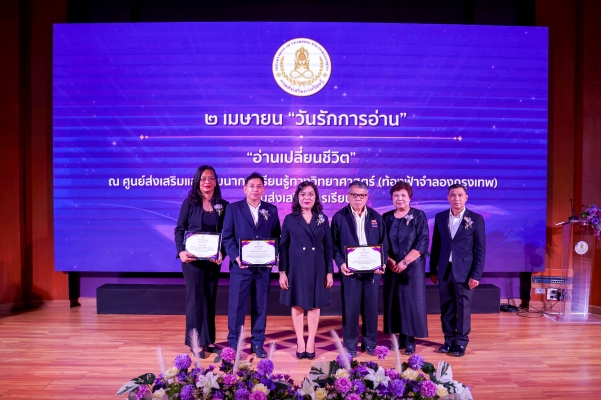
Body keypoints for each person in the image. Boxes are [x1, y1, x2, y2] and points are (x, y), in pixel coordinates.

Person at [221, 172, 281, 358]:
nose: (255, 189)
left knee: (260, 307)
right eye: (252, 186)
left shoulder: (271, 209)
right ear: (245, 189)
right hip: (241, 268)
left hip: (263, 269)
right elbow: (227, 237)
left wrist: (273, 255)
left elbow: (276, 237)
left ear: (263, 189)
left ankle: (257, 343)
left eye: (259, 186)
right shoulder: (233, 209)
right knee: (237, 308)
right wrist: (236, 257)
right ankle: (235, 345)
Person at [174, 165, 229, 359]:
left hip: (212, 261)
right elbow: (179, 229)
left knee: (210, 298)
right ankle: (195, 341)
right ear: (198, 181)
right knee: (195, 300)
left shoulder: (223, 205)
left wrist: (222, 253)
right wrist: (181, 251)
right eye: (204, 178)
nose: (207, 182)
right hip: (192, 261)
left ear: (216, 181)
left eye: (211, 178)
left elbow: (226, 233)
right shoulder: (189, 203)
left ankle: (208, 339)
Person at [331, 181, 387, 357]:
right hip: (350, 272)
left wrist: (382, 262)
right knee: (351, 309)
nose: (358, 199)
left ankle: (370, 344)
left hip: (372, 272)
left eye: (361, 195)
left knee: (370, 309)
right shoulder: (339, 217)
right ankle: (350, 345)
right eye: (354, 195)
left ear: (366, 197)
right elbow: (333, 244)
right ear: (348, 196)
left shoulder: (376, 217)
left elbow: (384, 243)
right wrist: (341, 263)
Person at [279, 181, 334, 360]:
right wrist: (282, 272)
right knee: (297, 303)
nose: (307, 197)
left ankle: (311, 341)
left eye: (310, 194)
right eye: (303, 194)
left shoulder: (322, 218)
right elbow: (283, 246)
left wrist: (329, 271)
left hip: (317, 266)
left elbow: (328, 246)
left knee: (315, 304)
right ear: (297, 197)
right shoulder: (290, 219)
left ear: (316, 197)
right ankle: (300, 340)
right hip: (295, 267)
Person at [430, 184, 486, 357]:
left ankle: (461, 342)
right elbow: (436, 245)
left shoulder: (475, 219)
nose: (456, 198)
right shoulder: (440, 217)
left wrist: (476, 275)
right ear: (448, 198)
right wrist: (433, 269)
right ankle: (448, 340)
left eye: (460, 195)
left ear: (466, 198)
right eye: (453, 195)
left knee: (462, 309)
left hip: (465, 272)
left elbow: (480, 250)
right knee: (446, 307)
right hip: (445, 270)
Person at [382, 181, 430, 355]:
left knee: (410, 302)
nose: (399, 198)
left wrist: (404, 262)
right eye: (396, 195)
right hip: (392, 267)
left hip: (412, 267)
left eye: (403, 195)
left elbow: (422, 241)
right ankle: (398, 337)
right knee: (394, 301)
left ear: (409, 197)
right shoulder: (386, 217)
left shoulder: (418, 215)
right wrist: (389, 261)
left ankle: (409, 338)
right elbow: (382, 242)